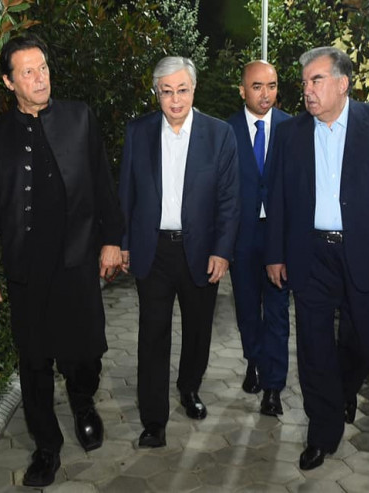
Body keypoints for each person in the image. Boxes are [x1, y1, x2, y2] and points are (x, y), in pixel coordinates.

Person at [0, 35, 124, 487]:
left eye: (43, 68)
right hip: (27, 267)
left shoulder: (79, 117)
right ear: (9, 82)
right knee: (34, 361)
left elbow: (102, 182)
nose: (40, 79)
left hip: (77, 259)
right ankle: (46, 446)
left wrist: (112, 240)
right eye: (28, 72)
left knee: (85, 352)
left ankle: (83, 403)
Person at [265, 46, 369, 471]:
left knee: (364, 343)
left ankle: (343, 390)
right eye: (305, 83)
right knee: (313, 347)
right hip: (310, 253)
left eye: (316, 80)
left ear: (342, 83)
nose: (307, 90)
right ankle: (322, 432)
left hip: (363, 251)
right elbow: (276, 197)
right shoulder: (290, 133)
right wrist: (275, 254)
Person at [118, 56, 239, 448]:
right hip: (152, 250)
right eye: (166, 91)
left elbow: (229, 200)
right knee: (152, 335)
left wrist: (222, 251)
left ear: (193, 89)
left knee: (198, 329)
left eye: (182, 90)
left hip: (200, 251)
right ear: (156, 93)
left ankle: (189, 387)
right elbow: (126, 193)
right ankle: (154, 420)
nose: (175, 100)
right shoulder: (138, 132)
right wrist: (123, 243)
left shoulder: (219, 135)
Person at [226, 61, 291, 416]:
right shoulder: (226, 130)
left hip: (280, 236)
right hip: (242, 236)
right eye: (257, 86)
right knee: (248, 309)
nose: (266, 94)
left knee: (278, 312)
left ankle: (273, 387)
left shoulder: (292, 128)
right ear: (242, 90)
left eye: (272, 85)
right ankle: (254, 359)